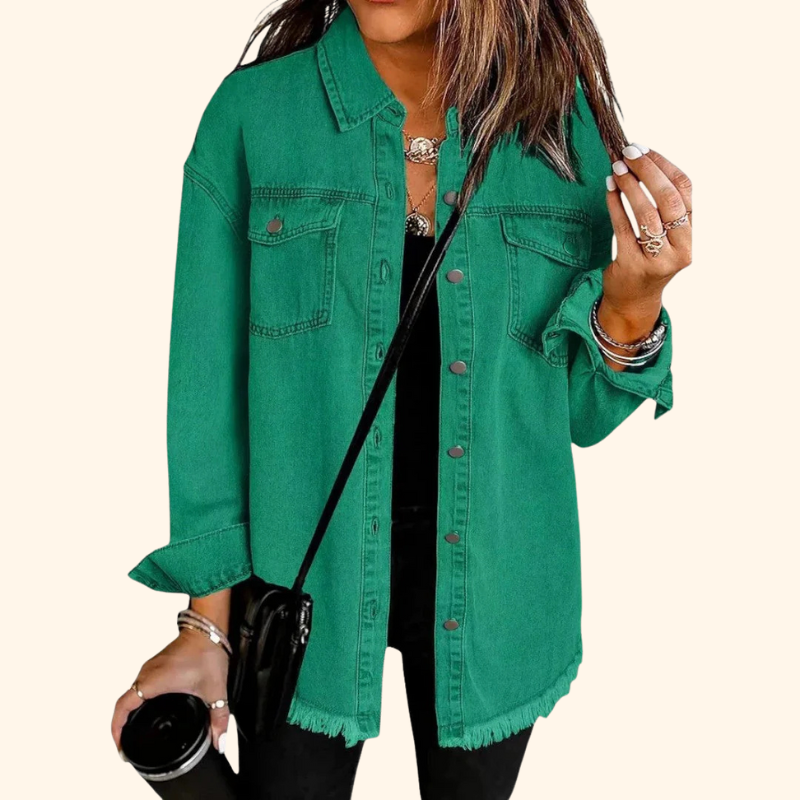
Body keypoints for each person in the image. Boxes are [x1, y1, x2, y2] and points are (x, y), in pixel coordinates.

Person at [111, 1, 692, 797]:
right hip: (299, 580)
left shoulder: (558, 130)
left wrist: (636, 298)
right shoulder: (253, 116)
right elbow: (206, 396)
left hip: (501, 590)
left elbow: (583, 417)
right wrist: (204, 625)